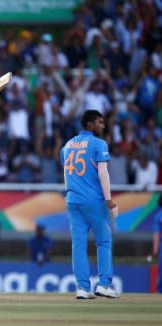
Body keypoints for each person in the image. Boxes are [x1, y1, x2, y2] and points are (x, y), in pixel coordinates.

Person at [60, 109, 119, 299]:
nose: (103, 125)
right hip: (93, 200)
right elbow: (103, 173)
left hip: (72, 200)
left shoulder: (67, 146)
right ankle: (104, 284)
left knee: (78, 244)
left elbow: (66, 173)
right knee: (103, 241)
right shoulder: (98, 144)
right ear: (89, 125)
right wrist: (109, 200)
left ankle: (82, 288)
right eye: (100, 122)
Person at [149, 196, 162, 293]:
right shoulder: (159, 216)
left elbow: (156, 234)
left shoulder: (158, 215)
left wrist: (155, 250)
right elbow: (156, 234)